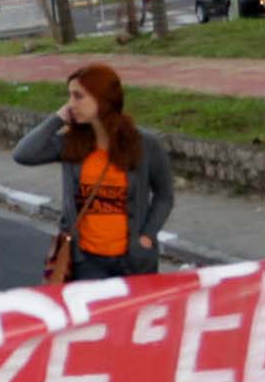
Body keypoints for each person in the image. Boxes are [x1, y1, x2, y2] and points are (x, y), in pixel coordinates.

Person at [15, 61, 174, 280]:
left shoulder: (145, 145)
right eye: (69, 96)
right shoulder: (71, 144)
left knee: (131, 316)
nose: (71, 104)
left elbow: (164, 195)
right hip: (87, 262)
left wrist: (146, 236)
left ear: (102, 98)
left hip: (134, 262)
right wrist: (58, 118)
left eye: (78, 96)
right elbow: (23, 154)